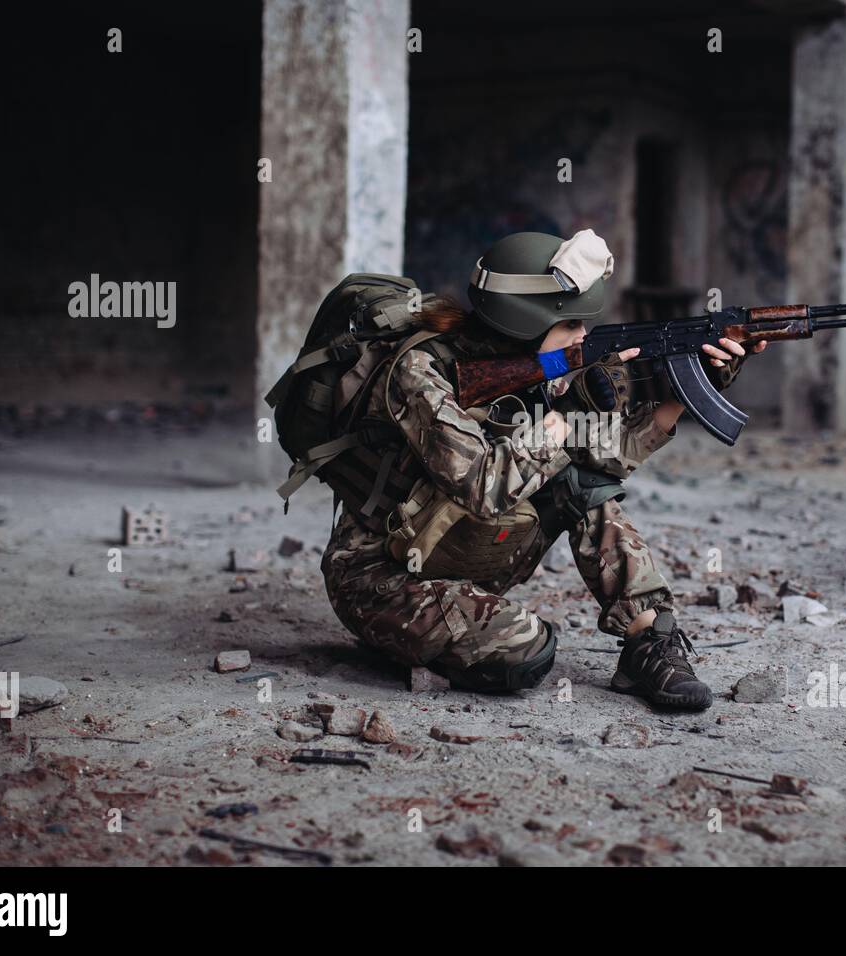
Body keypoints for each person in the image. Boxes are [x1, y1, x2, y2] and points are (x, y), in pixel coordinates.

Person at [320, 230, 766, 710]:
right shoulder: (420, 374)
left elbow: (608, 458)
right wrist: (568, 413)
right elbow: (483, 484)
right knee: (525, 652)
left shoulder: (546, 366)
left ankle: (649, 637)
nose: (582, 335)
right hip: (381, 577)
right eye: (571, 323)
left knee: (585, 484)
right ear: (525, 323)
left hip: (461, 550)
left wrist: (691, 390)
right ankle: (397, 639)